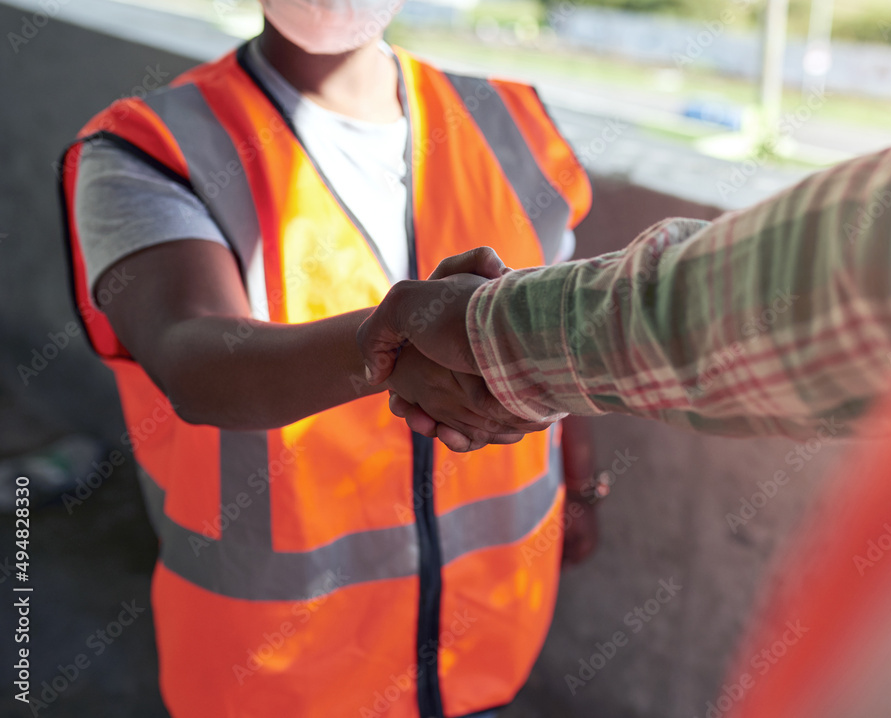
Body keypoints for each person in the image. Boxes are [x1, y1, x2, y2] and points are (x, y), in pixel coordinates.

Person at [58, 1, 600, 716]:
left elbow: (567, 333)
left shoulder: (514, 122)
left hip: (483, 659)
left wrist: (582, 481)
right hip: (277, 682)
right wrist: (378, 347)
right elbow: (194, 360)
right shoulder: (147, 150)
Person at [358, 119, 891, 714]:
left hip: (468, 627)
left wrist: (485, 337)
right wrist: (487, 337)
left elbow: (851, 275)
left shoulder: (507, 113)